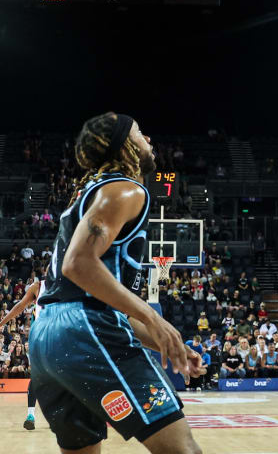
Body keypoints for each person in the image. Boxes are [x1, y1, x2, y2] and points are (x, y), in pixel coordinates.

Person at [28, 112, 205, 453]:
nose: (148, 139)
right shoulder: (125, 189)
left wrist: (168, 344)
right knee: (184, 450)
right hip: (84, 328)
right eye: (139, 132)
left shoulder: (85, 196)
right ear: (124, 145)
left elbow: (93, 301)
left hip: (46, 337)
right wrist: (153, 317)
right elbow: (78, 264)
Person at [0, 277, 43, 429]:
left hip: (61, 338)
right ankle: (30, 415)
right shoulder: (38, 286)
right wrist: (1, 323)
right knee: (36, 377)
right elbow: (19, 306)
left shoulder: (70, 285)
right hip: (41, 339)